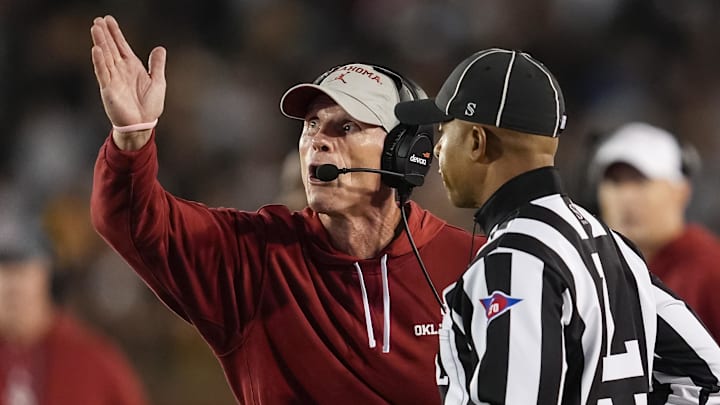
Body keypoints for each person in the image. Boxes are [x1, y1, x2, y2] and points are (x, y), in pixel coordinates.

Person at [88, 15, 484, 404]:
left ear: (405, 153)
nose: (318, 142)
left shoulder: (475, 265)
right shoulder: (254, 257)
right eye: (311, 124)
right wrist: (132, 141)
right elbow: (133, 221)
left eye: (346, 127)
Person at [394, 48, 720, 404]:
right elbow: (707, 378)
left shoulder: (514, 259)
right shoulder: (615, 247)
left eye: (446, 129)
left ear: (476, 141)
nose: (438, 147)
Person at [0, 196, 148, 405]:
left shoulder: (91, 359)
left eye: (22, 268)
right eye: (3, 269)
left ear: (49, 274)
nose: (11, 283)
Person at [589, 122, 720, 342]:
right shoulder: (599, 272)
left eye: (640, 181)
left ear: (681, 191)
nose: (626, 197)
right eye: (615, 181)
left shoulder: (710, 271)